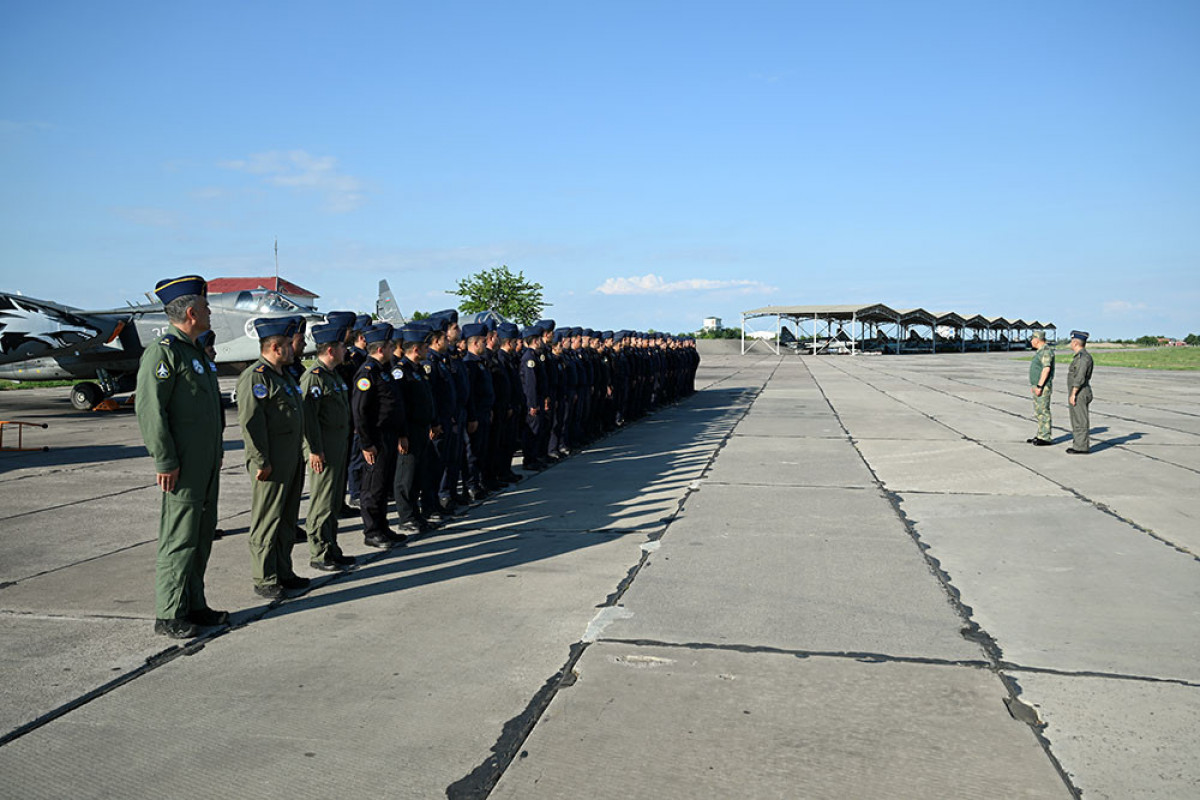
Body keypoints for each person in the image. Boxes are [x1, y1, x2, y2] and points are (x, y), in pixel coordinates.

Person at [135, 275, 227, 639]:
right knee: (179, 537)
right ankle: (170, 613)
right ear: (191, 312)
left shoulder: (195, 353)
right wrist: (164, 459)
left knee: (201, 536)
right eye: (205, 306)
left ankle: (194, 604)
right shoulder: (164, 353)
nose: (209, 311)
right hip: (183, 465)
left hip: (204, 463)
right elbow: (151, 411)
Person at [236, 316, 311, 599]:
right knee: (267, 519)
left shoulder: (284, 376)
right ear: (277, 347)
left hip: (290, 458)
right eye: (289, 346)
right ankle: (265, 576)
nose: (294, 350)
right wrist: (260, 460)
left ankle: (284, 570)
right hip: (270, 462)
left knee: (287, 519)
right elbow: (251, 424)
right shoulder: (257, 377)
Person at [300, 321, 356, 571]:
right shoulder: (314, 378)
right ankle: (319, 552)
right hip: (322, 451)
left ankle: (332, 547)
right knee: (322, 503)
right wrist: (314, 450)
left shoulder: (332, 376)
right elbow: (308, 419)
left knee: (333, 502)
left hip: (337, 447)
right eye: (343, 346)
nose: (347, 350)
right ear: (331, 350)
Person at [351, 323, 409, 547]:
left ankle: (383, 526)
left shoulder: (383, 371)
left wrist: (401, 433)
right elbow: (360, 411)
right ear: (381, 349)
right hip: (375, 438)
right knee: (372, 487)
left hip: (389, 435)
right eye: (390, 345)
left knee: (383, 484)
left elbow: (395, 405)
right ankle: (372, 531)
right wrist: (367, 444)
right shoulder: (366, 373)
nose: (394, 348)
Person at [393, 323, 436, 533]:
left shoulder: (418, 371)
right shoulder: (400, 372)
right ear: (416, 349)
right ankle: (406, 516)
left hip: (421, 429)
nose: (428, 350)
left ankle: (416, 514)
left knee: (419, 474)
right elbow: (398, 406)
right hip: (408, 431)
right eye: (425, 347)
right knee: (406, 477)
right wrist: (402, 434)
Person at [1066, 330, 1094, 454]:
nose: (1071, 344)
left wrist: (1073, 393)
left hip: (1080, 392)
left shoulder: (1083, 358)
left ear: (1075, 342)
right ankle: (1078, 444)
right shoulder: (1079, 357)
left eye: (1072, 341)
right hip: (1078, 392)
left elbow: (1080, 377)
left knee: (1080, 420)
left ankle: (1081, 447)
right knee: (1076, 419)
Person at [1027, 331, 1055, 446]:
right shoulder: (1040, 352)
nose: (1031, 341)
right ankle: (1040, 434)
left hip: (1043, 387)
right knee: (1038, 412)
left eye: (1032, 339)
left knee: (1043, 411)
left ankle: (1045, 437)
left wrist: (1039, 385)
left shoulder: (1045, 351)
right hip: (1037, 386)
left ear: (1037, 340)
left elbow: (1046, 369)